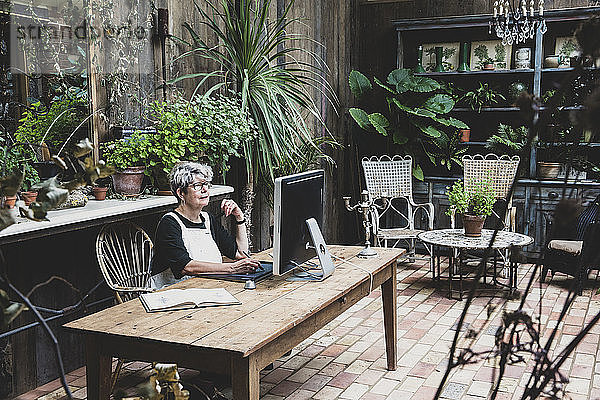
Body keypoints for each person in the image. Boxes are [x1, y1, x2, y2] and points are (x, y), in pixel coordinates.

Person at [150, 161, 260, 289]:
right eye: (197, 185)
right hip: (173, 293)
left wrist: (239, 217)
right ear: (181, 193)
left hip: (208, 287)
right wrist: (232, 268)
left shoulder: (208, 219)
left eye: (206, 184)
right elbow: (186, 267)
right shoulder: (169, 223)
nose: (204, 189)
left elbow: (241, 254)